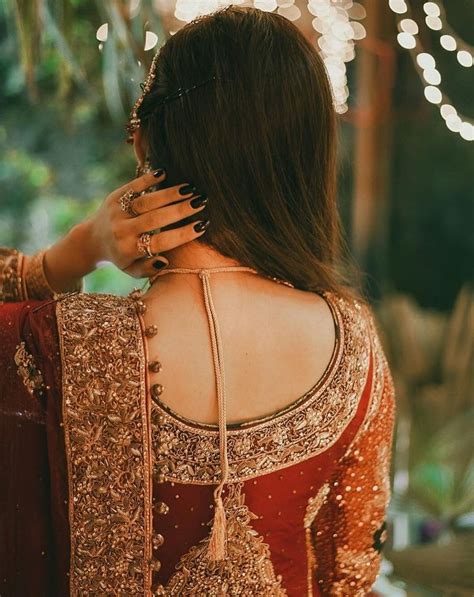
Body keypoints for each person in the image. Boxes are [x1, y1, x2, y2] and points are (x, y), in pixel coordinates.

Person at [0, 6, 395, 596]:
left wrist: (76, 251)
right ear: (309, 162)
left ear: (142, 144)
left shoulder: (50, 341)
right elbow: (350, 574)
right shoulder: (354, 346)